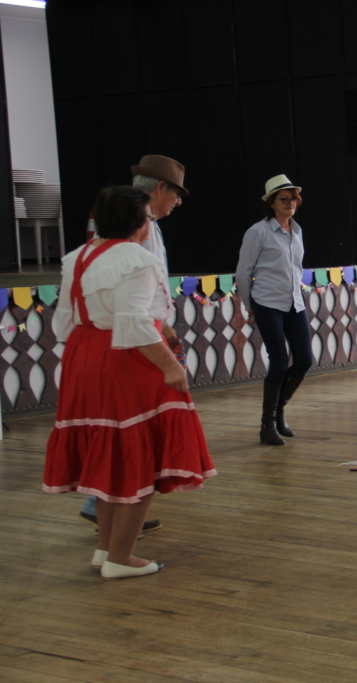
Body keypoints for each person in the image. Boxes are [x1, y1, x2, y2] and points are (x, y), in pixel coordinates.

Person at [43, 186, 215, 580]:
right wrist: (170, 365)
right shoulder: (138, 259)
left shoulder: (79, 257)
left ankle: (106, 549)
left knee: (109, 452)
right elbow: (133, 319)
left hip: (84, 354)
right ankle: (121, 557)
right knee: (142, 453)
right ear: (139, 222)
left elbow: (66, 319)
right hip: (125, 357)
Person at [78, 154, 189, 533]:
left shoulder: (137, 229)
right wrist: (167, 357)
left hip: (113, 340)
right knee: (136, 432)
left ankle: (108, 530)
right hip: (128, 342)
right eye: (176, 193)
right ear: (160, 188)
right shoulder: (132, 237)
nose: (177, 201)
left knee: (125, 430)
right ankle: (113, 530)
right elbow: (130, 307)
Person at [235, 175, 315, 446]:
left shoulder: (297, 230)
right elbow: (243, 273)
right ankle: (267, 424)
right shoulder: (258, 232)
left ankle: (279, 411)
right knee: (279, 362)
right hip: (267, 302)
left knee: (304, 359)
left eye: (294, 198)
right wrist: (250, 306)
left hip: (294, 301)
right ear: (271, 203)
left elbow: (297, 268)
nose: (291, 202)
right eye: (285, 198)